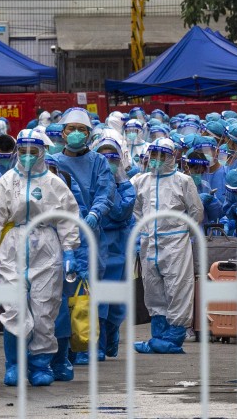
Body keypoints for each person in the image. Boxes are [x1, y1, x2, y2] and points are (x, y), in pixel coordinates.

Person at [0, 129, 81, 386]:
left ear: (42, 153)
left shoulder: (54, 183)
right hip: (14, 245)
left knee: (45, 308)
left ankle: (40, 364)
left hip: (47, 247)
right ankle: (14, 363)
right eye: (22, 151)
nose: (26, 157)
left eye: (32, 152)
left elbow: (69, 218)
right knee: (13, 308)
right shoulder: (7, 181)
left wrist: (70, 250)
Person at [52, 107, 117, 376]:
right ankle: (62, 349)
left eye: (82, 130)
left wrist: (94, 213)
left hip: (90, 237)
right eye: (71, 129)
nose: (76, 134)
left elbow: (106, 191)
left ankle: (90, 344)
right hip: (59, 237)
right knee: (59, 296)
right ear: (62, 132)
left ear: (89, 134)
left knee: (90, 293)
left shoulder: (99, 163)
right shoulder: (53, 162)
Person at [131, 138, 203, 354]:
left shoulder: (183, 181)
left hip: (174, 243)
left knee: (177, 288)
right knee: (153, 288)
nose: (157, 160)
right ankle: (158, 336)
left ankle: (174, 337)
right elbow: (136, 209)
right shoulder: (141, 181)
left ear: (172, 158)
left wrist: (181, 232)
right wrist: (143, 230)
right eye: (154, 155)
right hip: (149, 242)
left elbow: (196, 212)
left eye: (163, 155)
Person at [92, 137, 135, 361]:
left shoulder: (126, 185)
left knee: (116, 299)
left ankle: (112, 335)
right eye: (103, 157)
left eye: (113, 157)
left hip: (119, 243)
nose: (108, 161)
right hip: (97, 241)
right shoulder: (92, 181)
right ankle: (97, 342)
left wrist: (118, 180)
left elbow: (121, 211)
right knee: (98, 296)